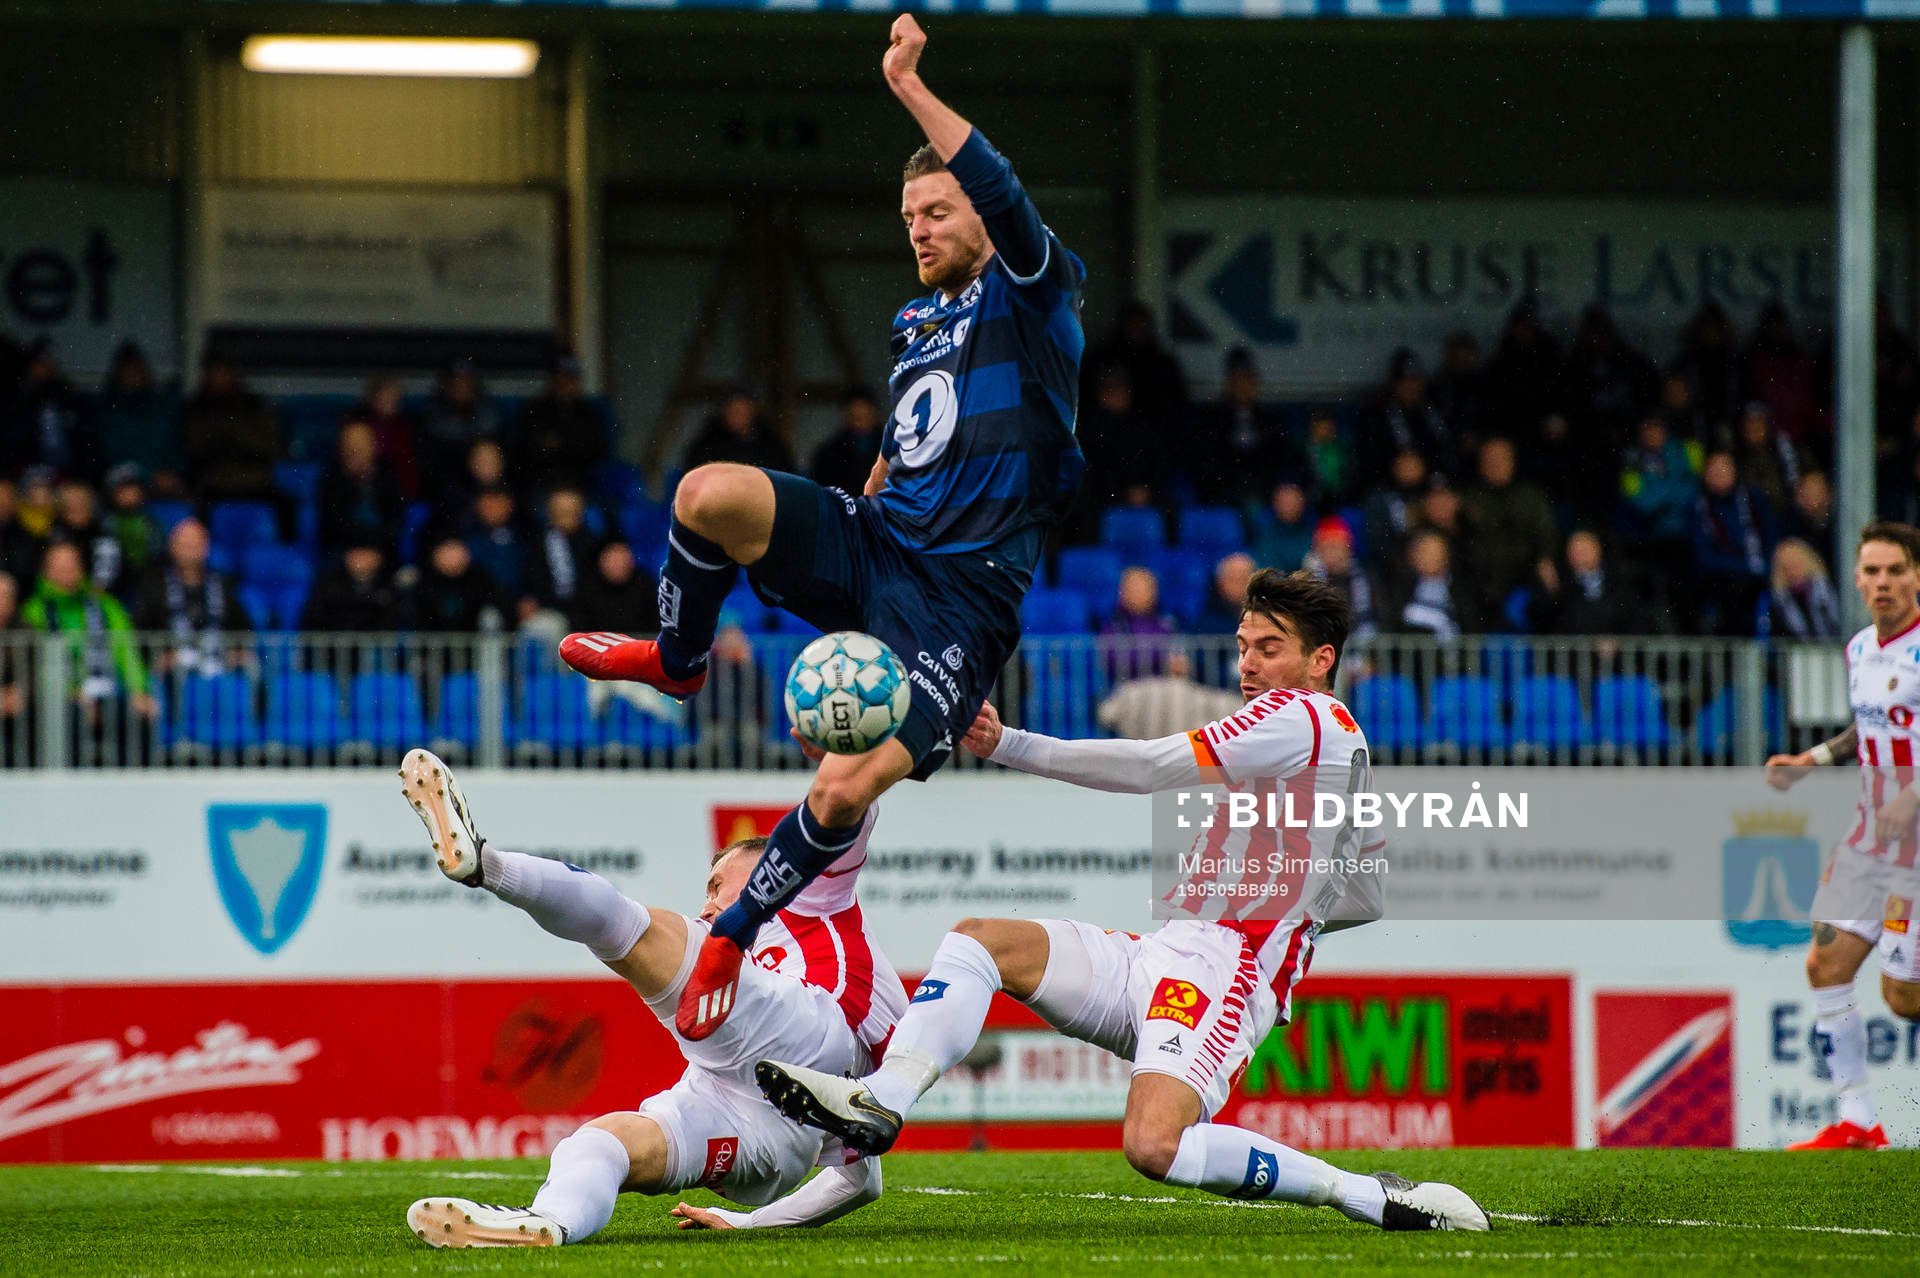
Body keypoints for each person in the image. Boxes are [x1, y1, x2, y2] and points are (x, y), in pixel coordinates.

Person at [560, 16, 1086, 1041]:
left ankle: (733, 933)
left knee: (843, 787)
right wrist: (871, 495)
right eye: (908, 217)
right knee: (708, 493)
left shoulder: (1037, 297)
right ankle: (677, 658)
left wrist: (906, 85)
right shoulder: (914, 321)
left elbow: (1007, 193)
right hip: (879, 542)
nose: (919, 229)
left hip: (962, 600)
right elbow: (904, 440)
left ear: (979, 214)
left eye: (937, 210)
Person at [755, 570, 1487, 1232]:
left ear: (1321, 661)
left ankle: (1364, 1194)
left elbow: (1149, 766)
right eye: (1242, 646)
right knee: (982, 941)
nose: (1248, 665)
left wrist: (1009, 743)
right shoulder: (1337, 748)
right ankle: (882, 1099)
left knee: (1153, 1147)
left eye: (1270, 647)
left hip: (1220, 976)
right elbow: (1368, 893)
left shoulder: (1303, 716)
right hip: (1167, 952)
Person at [397, 748, 902, 1246]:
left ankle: (485, 864)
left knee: (627, 927)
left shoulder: (813, 895)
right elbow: (861, 1182)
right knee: (600, 1144)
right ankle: (553, 1220)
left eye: (717, 885)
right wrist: (749, 1222)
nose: (707, 902)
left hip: (810, 1032)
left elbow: (852, 799)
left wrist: (857, 739)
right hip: (769, 1140)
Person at [1763, 522, 1920, 1150]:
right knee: (1825, 962)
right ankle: (1857, 1119)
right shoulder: (1859, 649)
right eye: (1872, 572)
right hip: (1868, 836)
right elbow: (1864, 731)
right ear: (1856, 579)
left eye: (1895, 571)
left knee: (1904, 998)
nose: (1882, 583)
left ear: (1916, 576)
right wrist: (1813, 762)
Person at [22, 540, 156, 737]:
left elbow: (126, 651)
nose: (66, 572)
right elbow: (36, 665)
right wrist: (72, 693)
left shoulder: (105, 606)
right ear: (46, 571)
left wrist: (138, 689)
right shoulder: (34, 611)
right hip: (61, 697)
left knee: (138, 714)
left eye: (71, 566)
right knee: (68, 717)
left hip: (108, 689)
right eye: (59, 567)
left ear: (81, 569)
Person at [133, 517, 252, 676]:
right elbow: (141, 630)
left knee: (251, 663)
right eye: (183, 543)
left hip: (217, 662)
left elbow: (243, 627)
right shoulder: (154, 585)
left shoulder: (222, 583)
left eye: (194, 543)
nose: (189, 548)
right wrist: (156, 657)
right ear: (172, 547)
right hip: (170, 670)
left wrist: (236, 652)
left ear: (206, 547)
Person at [181, 353, 282, 511]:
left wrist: (232, 436)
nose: (219, 378)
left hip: (253, 481)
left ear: (233, 375)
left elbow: (268, 446)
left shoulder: (254, 406)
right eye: (215, 373)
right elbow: (195, 447)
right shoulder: (196, 408)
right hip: (213, 483)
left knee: (286, 506)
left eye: (224, 372)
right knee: (194, 506)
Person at [94, 342, 185, 496]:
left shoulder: (163, 407)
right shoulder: (109, 411)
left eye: (137, 369)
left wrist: (175, 472)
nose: (133, 375)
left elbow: (177, 447)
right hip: (125, 483)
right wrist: (148, 475)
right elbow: (112, 455)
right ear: (118, 374)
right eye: (127, 371)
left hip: (166, 481)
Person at [518, 353, 608, 498]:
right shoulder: (534, 409)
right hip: (543, 480)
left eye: (570, 379)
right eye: (560, 379)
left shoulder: (590, 412)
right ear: (552, 381)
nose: (565, 384)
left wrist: (560, 443)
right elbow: (531, 449)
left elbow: (595, 449)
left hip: (580, 479)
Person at [318, 419, 405, 561]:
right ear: (341, 449)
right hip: (344, 553)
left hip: (383, 552)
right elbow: (331, 528)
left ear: (373, 447)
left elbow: (396, 521)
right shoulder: (331, 480)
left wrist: (374, 549)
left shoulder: (388, 477)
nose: (356, 451)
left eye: (361, 446)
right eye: (351, 447)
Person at [524, 487, 606, 625]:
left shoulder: (594, 544)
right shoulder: (535, 541)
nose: (566, 516)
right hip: (548, 612)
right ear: (550, 512)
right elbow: (528, 580)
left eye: (571, 511)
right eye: (561, 511)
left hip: (589, 612)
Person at [682, 388, 795, 476]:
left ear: (753, 410)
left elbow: (786, 478)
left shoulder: (771, 444)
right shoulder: (706, 444)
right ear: (724, 411)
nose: (738, 416)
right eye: (734, 410)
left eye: (743, 410)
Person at [302, 537, 399, 632]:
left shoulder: (392, 585)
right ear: (346, 557)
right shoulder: (329, 585)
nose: (361, 561)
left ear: (378, 557)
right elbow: (313, 620)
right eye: (356, 554)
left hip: (378, 646)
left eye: (366, 554)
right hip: (335, 644)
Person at [1100, 565, 1177, 683]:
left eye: (1144, 588)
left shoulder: (1167, 623)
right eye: (1133, 588)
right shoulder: (1113, 626)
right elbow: (1116, 659)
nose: (1138, 593)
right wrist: (1160, 657)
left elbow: (1177, 655)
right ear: (1122, 592)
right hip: (1126, 692)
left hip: (1162, 690)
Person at [808, 387, 884, 497]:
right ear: (845, 416)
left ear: (874, 414)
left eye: (864, 416)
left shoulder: (893, 449)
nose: (860, 423)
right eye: (855, 417)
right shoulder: (829, 455)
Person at [1761, 537, 1842, 641]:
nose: (1792, 572)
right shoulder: (1777, 605)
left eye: (1796, 565)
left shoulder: (1829, 591)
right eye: (1786, 568)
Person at [575, 540, 660, 637]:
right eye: (613, 560)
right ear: (601, 561)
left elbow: (654, 626)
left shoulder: (645, 584)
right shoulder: (587, 588)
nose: (618, 565)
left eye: (622, 559)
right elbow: (580, 626)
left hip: (639, 645)